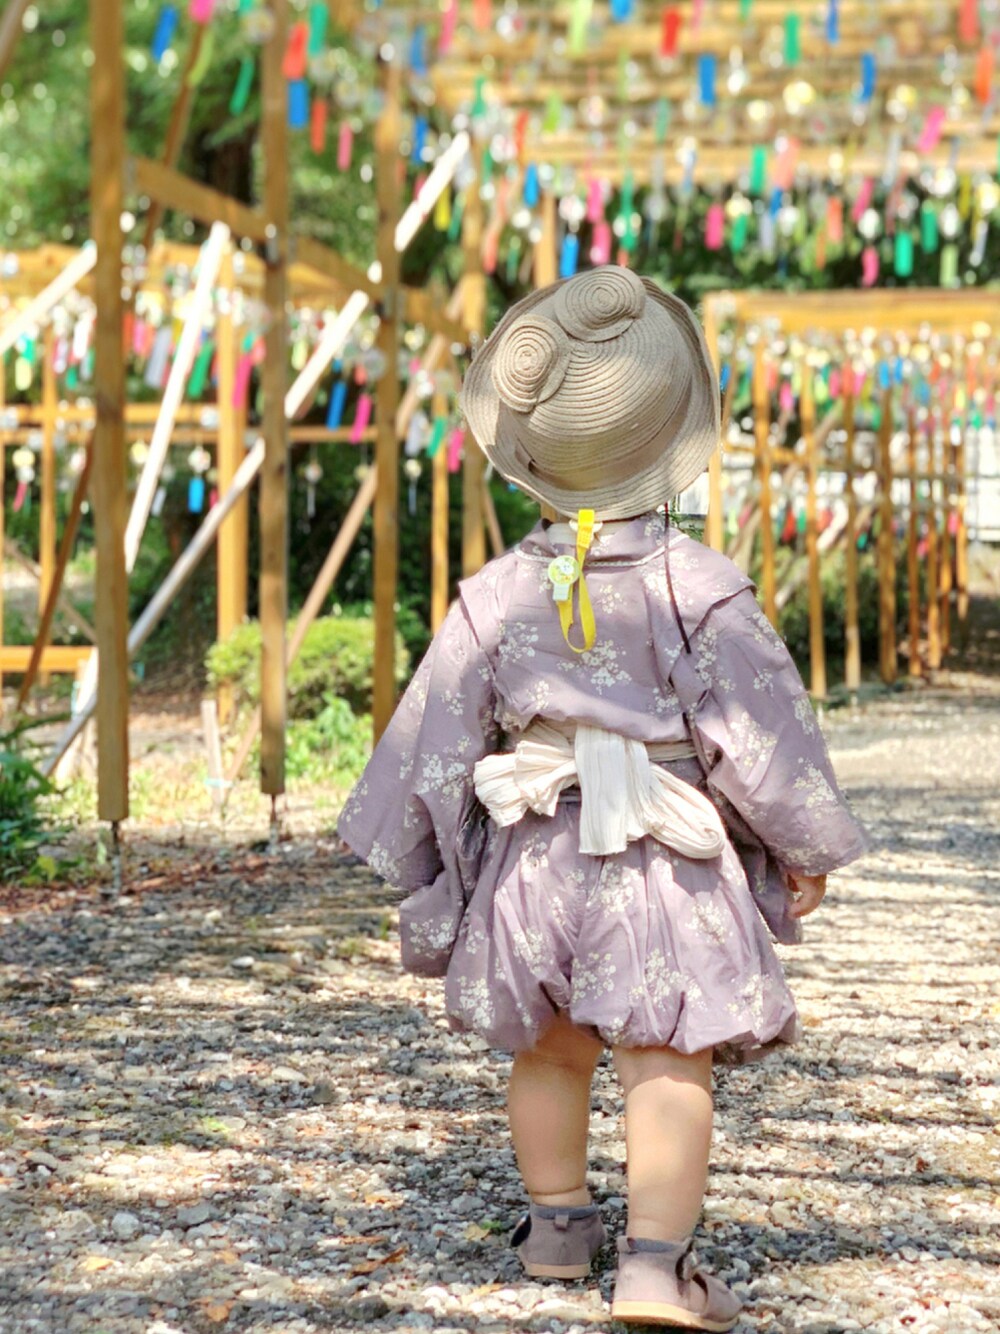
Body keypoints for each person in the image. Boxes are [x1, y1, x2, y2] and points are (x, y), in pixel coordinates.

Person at [338, 266, 868, 1331]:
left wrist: (426, 860)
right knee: (665, 1053)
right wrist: (797, 844)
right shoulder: (700, 589)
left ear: (535, 461)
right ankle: (654, 1267)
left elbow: (435, 738)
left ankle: (555, 1227)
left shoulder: (495, 594)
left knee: (548, 1044)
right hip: (662, 862)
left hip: (536, 856)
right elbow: (758, 736)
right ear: (672, 443)